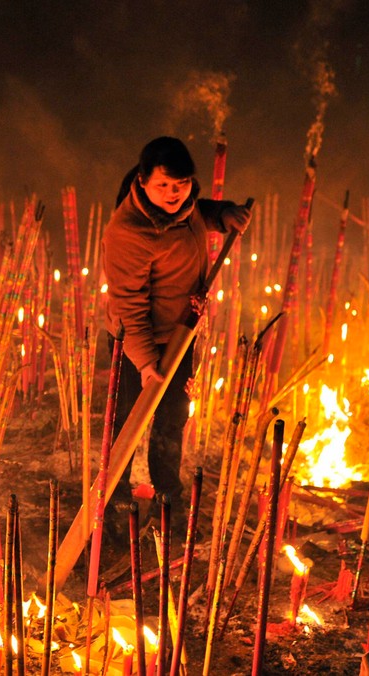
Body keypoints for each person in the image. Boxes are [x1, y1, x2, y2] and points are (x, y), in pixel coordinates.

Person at [100, 137, 251, 534]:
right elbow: (130, 306)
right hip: (133, 343)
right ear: (143, 181)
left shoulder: (183, 209)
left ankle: (168, 500)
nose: (174, 193)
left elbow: (196, 215)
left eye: (181, 184)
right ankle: (114, 510)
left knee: (172, 419)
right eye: (164, 185)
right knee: (127, 424)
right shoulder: (128, 231)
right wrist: (146, 363)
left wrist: (222, 215)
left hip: (179, 334)